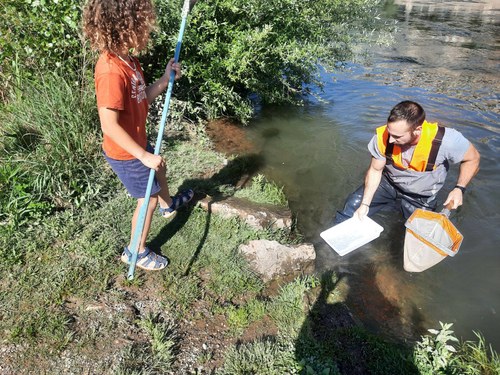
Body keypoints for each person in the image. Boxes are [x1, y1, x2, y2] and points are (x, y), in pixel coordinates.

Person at [83, 0, 194, 271]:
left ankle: (170, 206)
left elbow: (140, 98)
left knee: (160, 171)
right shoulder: (110, 71)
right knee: (148, 199)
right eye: (142, 23)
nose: (147, 28)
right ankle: (135, 251)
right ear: (125, 26)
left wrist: (164, 81)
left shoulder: (128, 61)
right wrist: (143, 156)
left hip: (136, 142)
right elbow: (109, 125)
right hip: (125, 152)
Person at [335, 100, 480, 223]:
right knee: (352, 208)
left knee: (415, 236)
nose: (391, 140)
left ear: (417, 130)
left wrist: (459, 189)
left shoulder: (447, 140)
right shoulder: (383, 137)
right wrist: (365, 204)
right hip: (387, 185)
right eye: (389, 133)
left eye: (397, 136)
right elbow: (375, 170)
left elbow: (473, 159)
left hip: (420, 197)